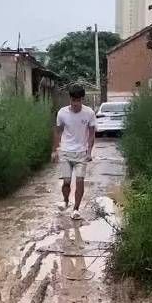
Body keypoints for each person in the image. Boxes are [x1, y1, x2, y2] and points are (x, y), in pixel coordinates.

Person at [51, 84, 96, 220]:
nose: (76, 103)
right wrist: (54, 150)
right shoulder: (62, 113)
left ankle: (76, 209)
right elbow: (57, 132)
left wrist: (89, 152)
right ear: (70, 99)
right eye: (73, 100)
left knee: (80, 180)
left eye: (79, 100)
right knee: (66, 181)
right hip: (65, 151)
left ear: (82, 99)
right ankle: (65, 201)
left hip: (81, 152)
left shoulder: (89, 113)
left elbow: (92, 133)